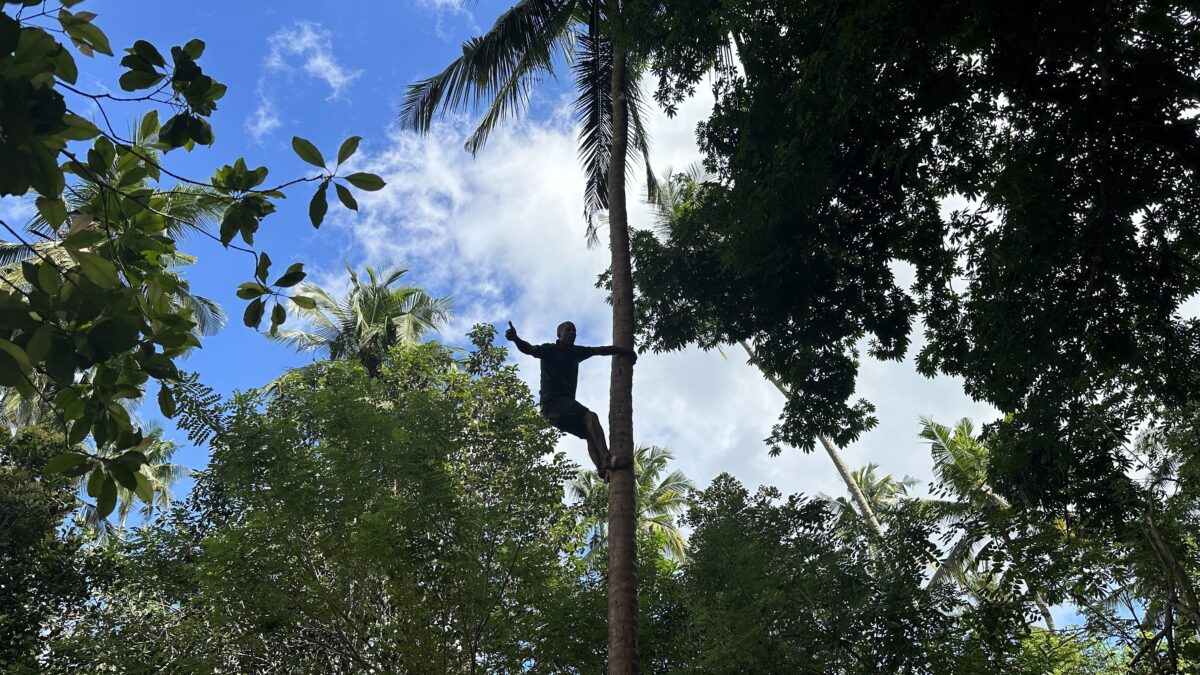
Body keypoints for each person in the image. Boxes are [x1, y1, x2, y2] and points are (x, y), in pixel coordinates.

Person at [505, 320, 636, 480]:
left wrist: (624, 350)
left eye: (574, 331)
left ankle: (603, 470)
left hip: (560, 411)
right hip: (553, 403)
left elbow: (599, 350)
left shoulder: (577, 352)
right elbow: (530, 349)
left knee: (589, 432)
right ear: (559, 334)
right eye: (568, 330)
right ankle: (608, 458)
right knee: (590, 417)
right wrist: (516, 339)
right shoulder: (550, 350)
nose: (572, 333)